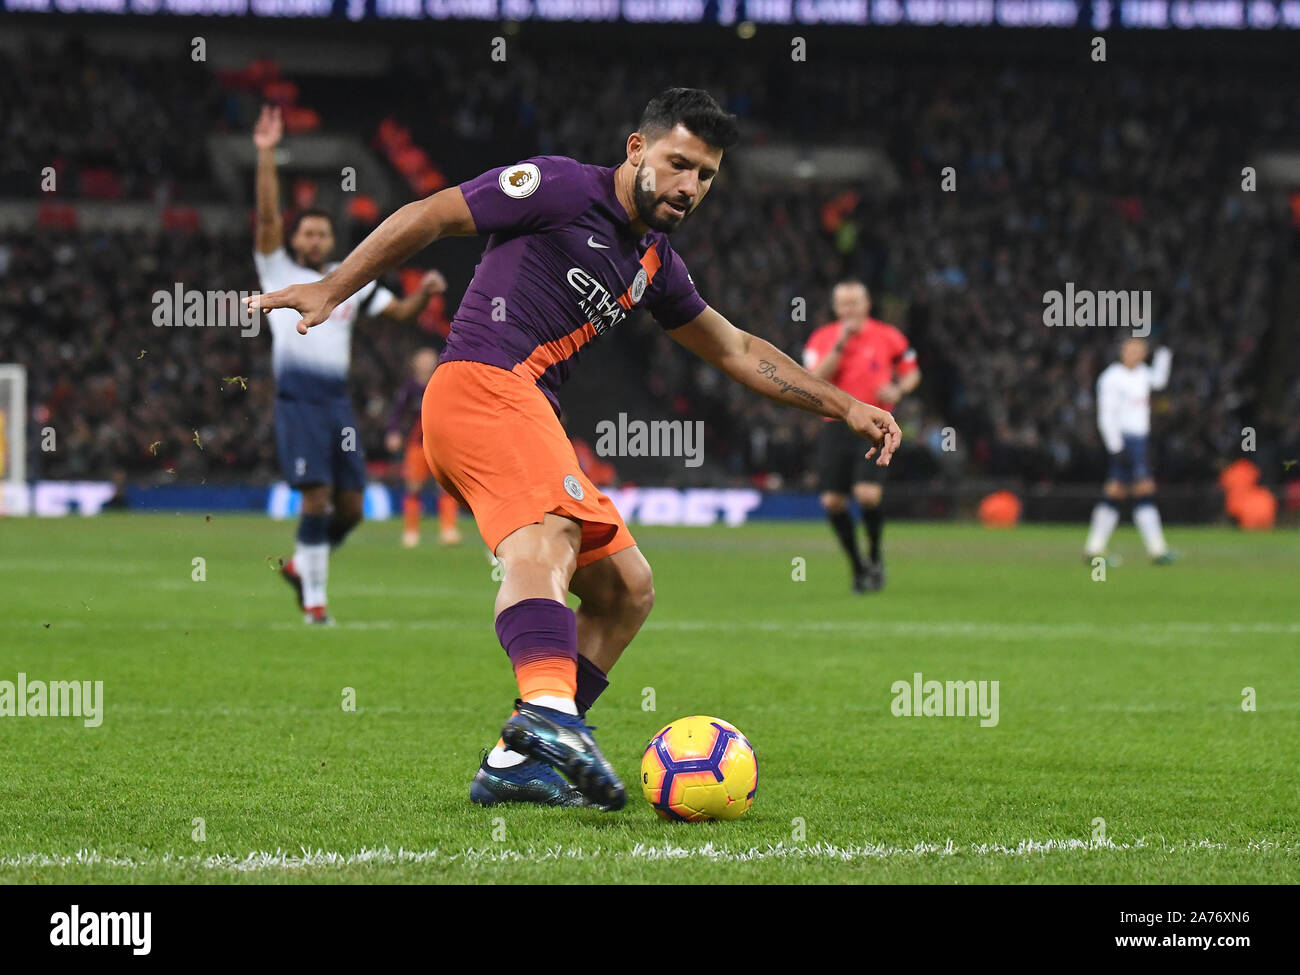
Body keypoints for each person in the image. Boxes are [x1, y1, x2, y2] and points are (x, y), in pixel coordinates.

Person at [249, 88, 900, 809]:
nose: (689, 186)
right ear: (636, 149)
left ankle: (515, 760)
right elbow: (431, 215)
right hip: (481, 384)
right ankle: (549, 711)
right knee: (550, 532)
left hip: (527, 410)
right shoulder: (560, 185)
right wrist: (333, 288)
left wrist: (844, 403)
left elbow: (738, 349)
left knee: (628, 590)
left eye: (706, 176)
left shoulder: (655, 261)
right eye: (678, 163)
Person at [252, 105, 447, 624]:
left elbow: (398, 313)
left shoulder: (346, 279)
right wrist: (267, 153)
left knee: (352, 509)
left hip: (338, 405)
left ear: (332, 242)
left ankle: (302, 565)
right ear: (294, 242)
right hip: (298, 403)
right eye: (306, 234)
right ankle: (316, 604)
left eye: (320, 234)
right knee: (315, 498)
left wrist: (423, 294)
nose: (313, 240)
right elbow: (268, 217)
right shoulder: (279, 271)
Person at [804, 281, 920, 592]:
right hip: (835, 423)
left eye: (854, 303)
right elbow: (814, 380)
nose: (849, 309)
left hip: (875, 422)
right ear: (835, 307)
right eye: (843, 304)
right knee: (832, 501)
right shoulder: (823, 338)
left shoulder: (888, 335)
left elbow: (912, 371)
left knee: (868, 495)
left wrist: (898, 389)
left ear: (866, 304)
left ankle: (875, 557)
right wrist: (841, 343)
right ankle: (858, 566)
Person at [1084, 337, 1174, 564]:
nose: (1135, 354)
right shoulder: (1111, 377)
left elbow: (1159, 382)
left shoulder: (1143, 373)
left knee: (1116, 492)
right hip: (1125, 441)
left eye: (1140, 350)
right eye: (1131, 349)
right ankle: (1157, 550)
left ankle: (1094, 548)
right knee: (1144, 491)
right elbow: (1106, 415)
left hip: (1139, 440)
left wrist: (1164, 354)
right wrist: (1115, 446)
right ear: (1122, 351)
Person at [385, 347, 463, 547]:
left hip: (442, 444)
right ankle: (411, 532)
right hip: (417, 445)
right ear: (415, 363)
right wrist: (393, 432)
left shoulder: (443, 383)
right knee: (413, 487)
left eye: (429, 359)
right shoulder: (409, 388)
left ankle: (448, 530)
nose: (426, 363)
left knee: (445, 486)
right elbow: (396, 412)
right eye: (422, 359)